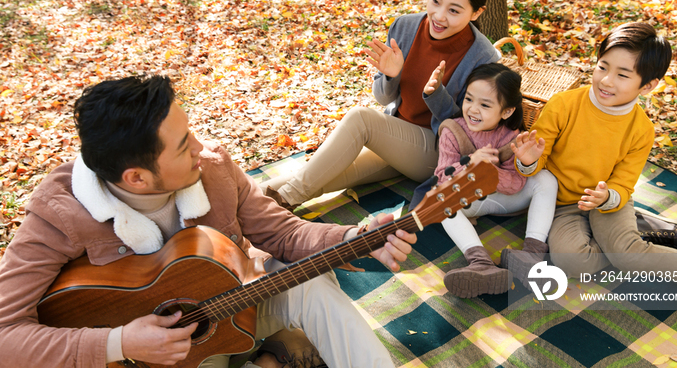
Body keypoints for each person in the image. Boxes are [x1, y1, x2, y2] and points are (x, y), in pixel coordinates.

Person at [0, 76, 417, 368]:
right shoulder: (58, 213)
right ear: (136, 178)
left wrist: (354, 236)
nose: (202, 147)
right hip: (148, 358)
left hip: (233, 310)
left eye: (191, 131)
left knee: (312, 284)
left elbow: (283, 232)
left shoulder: (213, 167)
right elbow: (5, 336)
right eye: (183, 147)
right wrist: (120, 341)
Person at [260, 0, 501, 210]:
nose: (439, 16)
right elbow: (384, 99)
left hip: (436, 151)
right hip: (396, 137)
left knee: (361, 119)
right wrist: (391, 76)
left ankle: (286, 199)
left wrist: (437, 95)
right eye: (435, 1)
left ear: (477, 13)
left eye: (454, 10)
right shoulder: (406, 27)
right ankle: (245, 197)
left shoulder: (483, 58)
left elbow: (472, 129)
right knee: (322, 173)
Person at [511, 22, 677, 288]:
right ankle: (634, 238)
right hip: (562, 205)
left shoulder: (642, 130)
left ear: (647, 86)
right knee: (572, 262)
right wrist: (528, 161)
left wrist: (607, 197)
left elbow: (623, 183)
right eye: (603, 67)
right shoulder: (563, 105)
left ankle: (632, 244)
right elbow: (536, 163)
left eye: (623, 75)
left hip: (608, 202)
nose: (606, 80)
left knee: (629, 257)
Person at [407, 63, 558, 298]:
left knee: (546, 178)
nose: (473, 110)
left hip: (504, 199)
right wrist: (471, 164)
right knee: (441, 199)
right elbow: (441, 176)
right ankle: (481, 264)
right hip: (469, 200)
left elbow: (516, 185)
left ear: (506, 111)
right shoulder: (453, 130)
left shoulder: (511, 137)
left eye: (485, 105)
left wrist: (491, 171)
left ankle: (532, 254)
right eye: (469, 99)